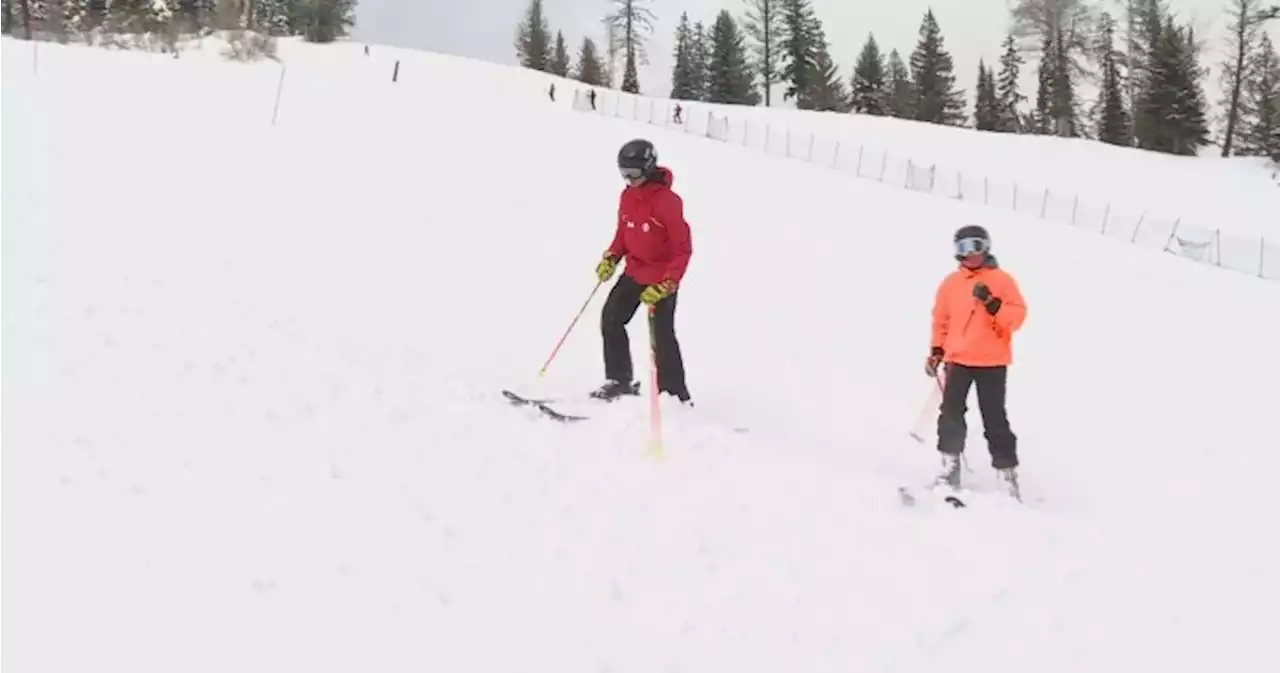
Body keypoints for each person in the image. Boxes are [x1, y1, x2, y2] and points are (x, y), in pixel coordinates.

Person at [925, 225, 1027, 498]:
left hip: (991, 362)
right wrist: (936, 351)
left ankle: (1007, 475)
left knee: (995, 419)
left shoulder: (1002, 280)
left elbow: (1016, 318)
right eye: (963, 248)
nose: (969, 254)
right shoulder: (951, 284)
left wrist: (992, 303)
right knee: (950, 415)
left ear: (986, 247)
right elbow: (941, 319)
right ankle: (950, 467)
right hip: (957, 360)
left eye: (975, 246)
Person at [591, 139, 693, 404]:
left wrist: (669, 282)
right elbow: (624, 233)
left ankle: (674, 395)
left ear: (648, 169)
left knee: (661, 337)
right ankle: (619, 379)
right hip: (635, 272)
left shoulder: (668, 202)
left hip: (660, 280)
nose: (629, 180)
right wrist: (612, 256)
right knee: (611, 319)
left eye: (633, 174)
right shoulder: (626, 196)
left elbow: (683, 249)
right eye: (623, 174)